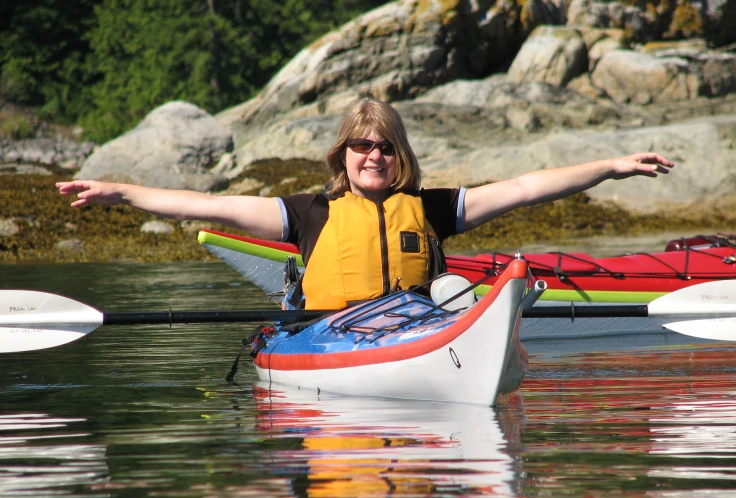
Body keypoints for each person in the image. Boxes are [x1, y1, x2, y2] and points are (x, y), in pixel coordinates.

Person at [57, 98, 673, 310]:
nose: (372, 155)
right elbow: (207, 205)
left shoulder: (431, 208)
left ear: (398, 154)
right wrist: (120, 191)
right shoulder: (306, 214)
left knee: (452, 293)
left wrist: (609, 167)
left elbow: (525, 187)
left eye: (383, 146)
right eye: (360, 145)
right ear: (342, 153)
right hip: (330, 334)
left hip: (417, 328)